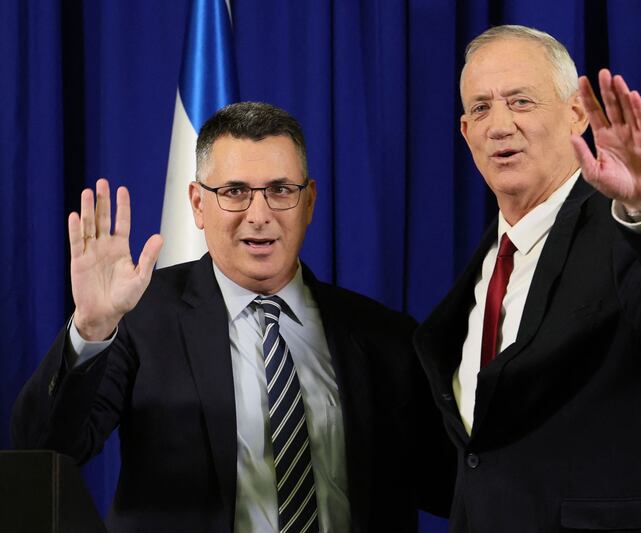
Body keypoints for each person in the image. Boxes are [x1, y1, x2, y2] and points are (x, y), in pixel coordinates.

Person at [13, 102, 453, 532]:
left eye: (281, 190)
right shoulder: (139, 316)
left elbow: (452, 485)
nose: (258, 216)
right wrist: (91, 328)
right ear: (198, 204)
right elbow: (46, 448)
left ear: (309, 202)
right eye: (234, 192)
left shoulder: (384, 336)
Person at [413, 25, 641, 532]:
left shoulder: (626, 236)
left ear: (576, 114)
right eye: (480, 108)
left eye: (520, 101)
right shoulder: (483, 268)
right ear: (465, 132)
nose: (499, 125)